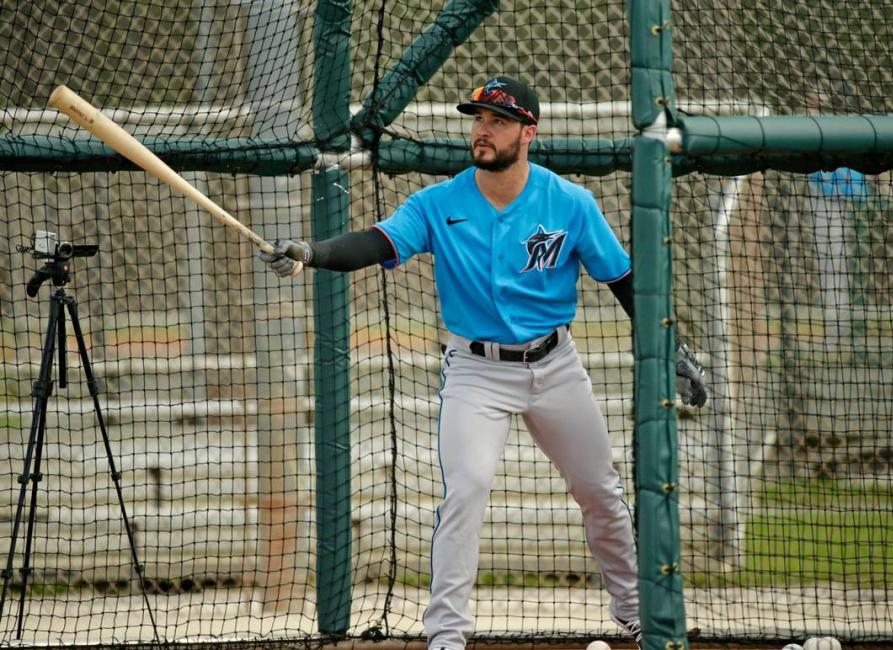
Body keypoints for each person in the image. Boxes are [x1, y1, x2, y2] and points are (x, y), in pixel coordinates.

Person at [260, 75, 707, 650]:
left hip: (555, 363)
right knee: (465, 490)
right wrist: (313, 254)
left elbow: (624, 280)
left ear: (528, 132)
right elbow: (376, 242)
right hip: (477, 371)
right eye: (478, 118)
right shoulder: (438, 203)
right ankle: (447, 637)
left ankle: (636, 612)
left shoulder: (570, 202)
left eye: (497, 120)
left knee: (599, 490)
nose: (482, 130)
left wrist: (669, 345)